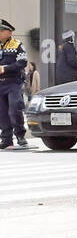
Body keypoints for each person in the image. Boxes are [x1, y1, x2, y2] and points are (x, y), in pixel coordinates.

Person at [0, 20, 29, 149]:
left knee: (14, 109)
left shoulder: (17, 45)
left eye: (1, 31)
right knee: (2, 113)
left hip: (14, 83)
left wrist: (4, 69)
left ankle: (20, 136)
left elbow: (22, 63)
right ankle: (6, 140)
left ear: (9, 32)